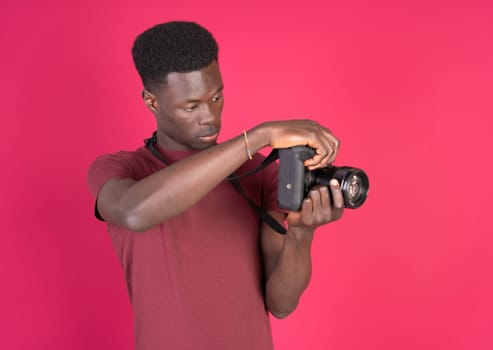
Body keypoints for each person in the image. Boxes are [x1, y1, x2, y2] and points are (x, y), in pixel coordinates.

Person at [88, 21, 345, 350]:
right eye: (191, 106)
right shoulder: (122, 169)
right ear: (152, 102)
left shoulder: (257, 173)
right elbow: (135, 213)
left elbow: (281, 304)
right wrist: (260, 136)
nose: (209, 116)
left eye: (216, 97)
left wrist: (301, 234)